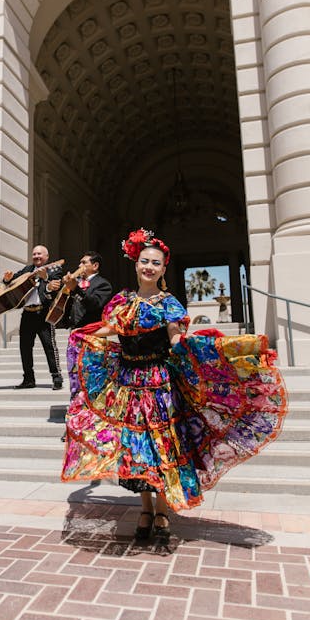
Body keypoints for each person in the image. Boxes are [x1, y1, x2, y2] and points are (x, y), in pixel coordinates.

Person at [61, 228, 287, 540]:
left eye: (155, 263)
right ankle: (145, 509)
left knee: (163, 449)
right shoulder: (121, 301)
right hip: (128, 383)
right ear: (136, 263)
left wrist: (189, 343)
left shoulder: (169, 304)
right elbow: (111, 329)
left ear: (163, 268)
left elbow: (175, 337)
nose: (148, 267)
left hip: (159, 384)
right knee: (136, 451)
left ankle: (163, 511)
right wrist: (82, 336)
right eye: (144, 261)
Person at [3, 245, 64, 390]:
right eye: (34, 254)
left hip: (43, 313)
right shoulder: (27, 270)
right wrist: (7, 279)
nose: (36, 256)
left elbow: (56, 288)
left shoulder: (54, 269)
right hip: (27, 314)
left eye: (39, 254)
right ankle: (28, 379)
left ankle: (57, 377)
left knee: (50, 347)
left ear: (47, 256)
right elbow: (13, 281)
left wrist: (46, 278)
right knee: (24, 348)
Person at [62, 252, 113, 329]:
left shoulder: (103, 284)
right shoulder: (77, 281)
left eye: (84, 263)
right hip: (74, 329)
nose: (79, 266)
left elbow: (94, 304)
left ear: (95, 266)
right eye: (80, 263)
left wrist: (76, 289)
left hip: (92, 331)